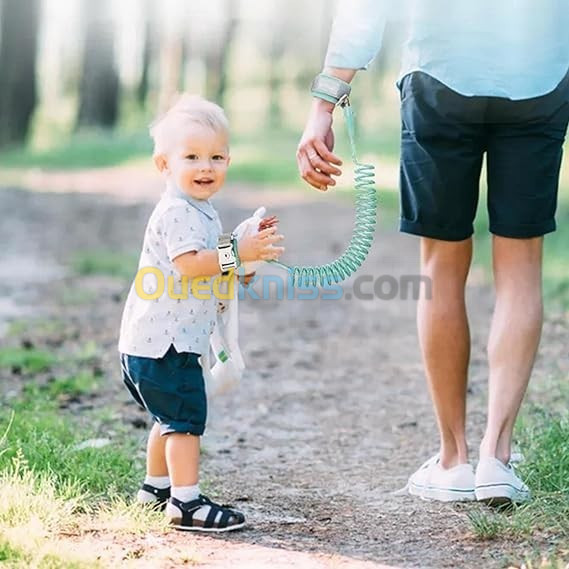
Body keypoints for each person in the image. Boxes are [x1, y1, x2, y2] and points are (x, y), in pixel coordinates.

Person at [298, 0, 569, 503]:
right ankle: (497, 456)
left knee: (442, 266)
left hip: (440, 77)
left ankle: (454, 458)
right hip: (539, 79)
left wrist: (325, 101)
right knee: (521, 265)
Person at [118, 94, 284, 531]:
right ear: (164, 165)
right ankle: (185, 502)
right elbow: (191, 265)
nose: (206, 167)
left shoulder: (198, 209)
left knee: (168, 418)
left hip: (151, 343)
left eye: (216, 157)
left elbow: (210, 267)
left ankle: (155, 490)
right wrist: (236, 251)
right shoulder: (178, 212)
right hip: (165, 344)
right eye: (191, 156)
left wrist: (244, 262)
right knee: (186, 423)